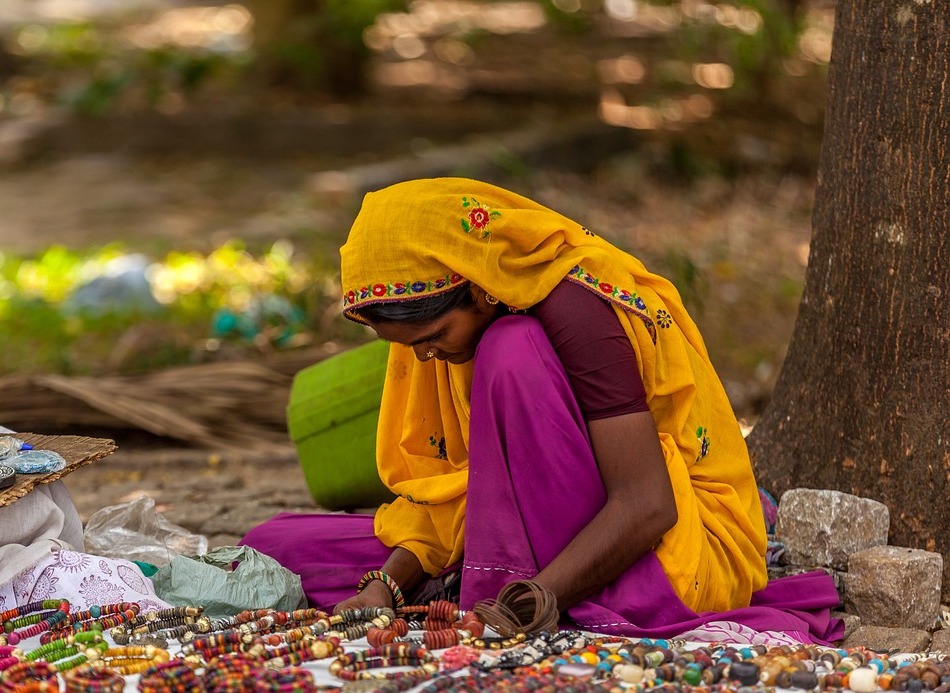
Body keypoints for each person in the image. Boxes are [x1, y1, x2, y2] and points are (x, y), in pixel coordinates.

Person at [240, 178, 842, 644]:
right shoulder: (442, 341)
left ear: (477, 286)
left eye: (435, 335)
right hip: (545, 527)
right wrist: (387, 585)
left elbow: (647, 505)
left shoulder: (577, 311)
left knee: (511, 349)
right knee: (274, 547)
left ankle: (506, 579)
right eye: (409, 347)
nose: (425, 357)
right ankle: (484, 574)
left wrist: (527, 601)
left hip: (663, 547)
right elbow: (454, 494)